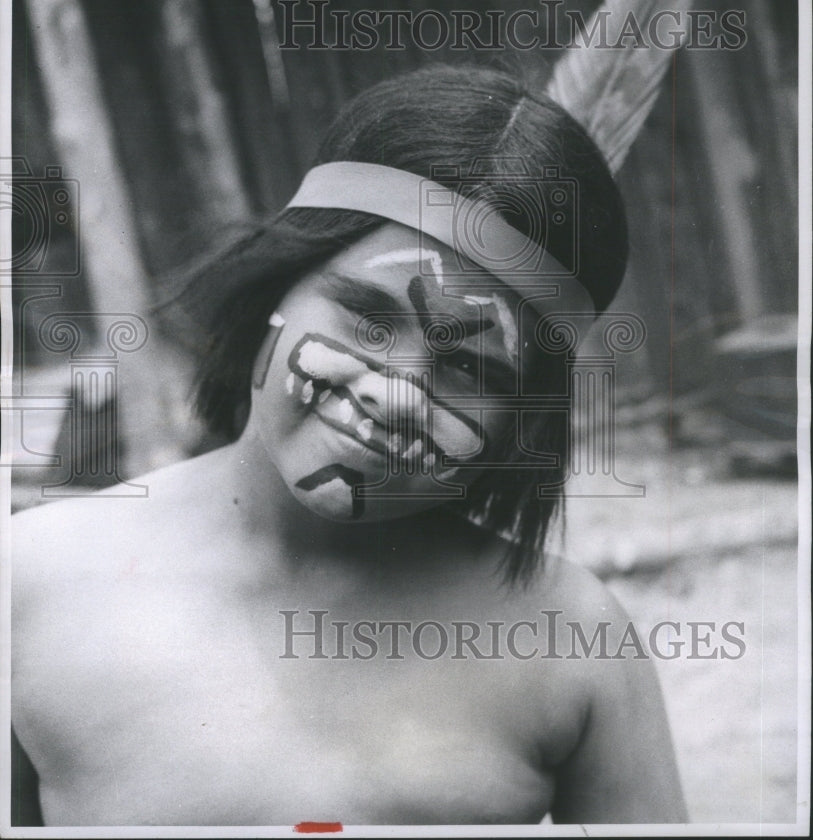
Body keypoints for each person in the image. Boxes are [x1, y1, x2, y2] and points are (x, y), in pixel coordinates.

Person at [11, 62, 687, 826]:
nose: (394, 394)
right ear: (275, 289)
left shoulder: (572, 637)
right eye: (366, 319)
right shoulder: (32, 582)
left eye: (468, 366)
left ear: (520, 423)